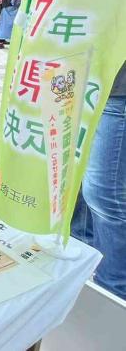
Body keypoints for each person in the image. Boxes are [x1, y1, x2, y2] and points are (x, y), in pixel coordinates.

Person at [71, 63, 126, 300]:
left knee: (104, 196)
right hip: (80, 81)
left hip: (116, 89)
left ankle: (112, 293)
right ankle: (78, 273)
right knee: (77, 188)